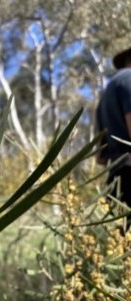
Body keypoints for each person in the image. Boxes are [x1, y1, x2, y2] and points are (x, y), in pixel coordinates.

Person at [96, 47, 131, 225]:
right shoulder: (129, 78)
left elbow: (100, 157)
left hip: (115, 179)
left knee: (123, 243)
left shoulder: (105, 97)